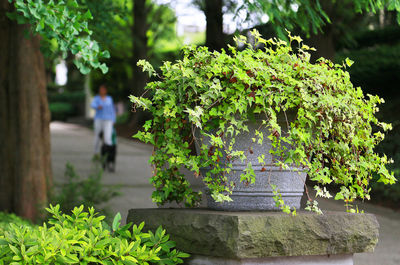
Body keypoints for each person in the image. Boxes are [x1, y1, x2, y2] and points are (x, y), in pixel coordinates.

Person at [91, 84, 116, 156]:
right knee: (97, 136)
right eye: (101, 89)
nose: (102, 91)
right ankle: (96, 152)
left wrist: (113, 120)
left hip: (108, 120)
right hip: (99, 119)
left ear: (105, 91)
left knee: (108, 137)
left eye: (103, 89)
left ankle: (108, 154)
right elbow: (92, 105)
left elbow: (112, 110)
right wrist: (97, 106)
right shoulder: (96, 98)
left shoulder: (109, 99)